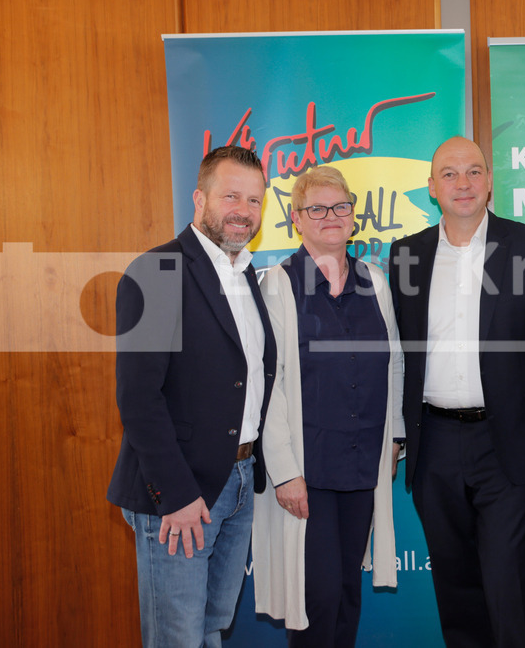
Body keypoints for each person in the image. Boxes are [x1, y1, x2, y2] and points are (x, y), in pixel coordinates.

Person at [388, 136, 525, 647]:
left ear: (490, 181)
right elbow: (399, 352)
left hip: (512, 445)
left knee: (509, 587)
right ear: (432, 187)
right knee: (457, 591)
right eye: (449, 174)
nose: (463, 183)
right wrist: (395, 432)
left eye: (474, 171)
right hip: (434, 445)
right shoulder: (407, 254)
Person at [107, 145, 276, 647]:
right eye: (231, 196)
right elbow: (139, 398)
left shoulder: (246, 275)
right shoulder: (158, 270)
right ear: (199, 199)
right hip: (182, 492)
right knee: (177, 637)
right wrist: (176, 496)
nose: (243, 210)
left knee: (211, 629)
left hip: (239, 480)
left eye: (254, 199)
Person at [251, 166, 404, 646]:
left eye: (340, 206)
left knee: (346, 592)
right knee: (316, 598)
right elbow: (269, 385)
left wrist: (395, 438)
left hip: (363, 464)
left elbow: (395, 362)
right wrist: (284, 472)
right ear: (296, 219)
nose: (330, 216)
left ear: (353, 214)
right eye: (316, 208)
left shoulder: (375, 281)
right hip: (307, 470)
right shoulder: (276, 285)